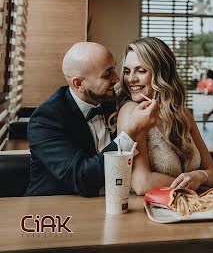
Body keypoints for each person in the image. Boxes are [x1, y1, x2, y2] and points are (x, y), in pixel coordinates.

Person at [26, 41, 157, 197]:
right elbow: (83, 179)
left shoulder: (114, 102)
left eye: (114, 69)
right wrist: (130, 132)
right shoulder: (45, 121)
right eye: (107, 74)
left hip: (114, 204)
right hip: (56, 210)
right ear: (79, 84)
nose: (117, 79)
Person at [117, 37, 213, 195]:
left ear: (162, 73)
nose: (131, 79)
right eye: (127, 71)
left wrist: (199, 175)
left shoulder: (182, 115)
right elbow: (142, 183)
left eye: (141, 70)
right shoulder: (131, 111)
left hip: (191, 209)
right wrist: (191, 186)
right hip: (147, 213)